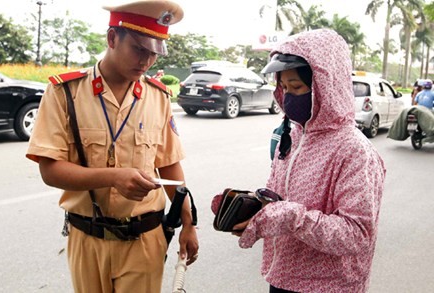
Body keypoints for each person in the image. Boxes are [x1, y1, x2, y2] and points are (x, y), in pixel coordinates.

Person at [26, 1, 198, 292]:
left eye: (154, 53)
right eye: (139, 49)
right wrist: (115, 177)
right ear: (112, 38)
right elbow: (50, 170)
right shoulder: (65, 92)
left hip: (143, 240)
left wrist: (189, 222)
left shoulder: (158, 98)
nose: (146, 61)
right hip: (86, 237)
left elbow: (169, 165)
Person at [232, 29, 386, 292]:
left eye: (296, 87)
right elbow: (281, 199)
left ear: (324, 86)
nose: (288, 96)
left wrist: (292, 218)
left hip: (328, 286)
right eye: (283, 87)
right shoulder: (291, 135)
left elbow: (357, 234)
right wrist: (256, 208)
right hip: (282, 277)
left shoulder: (354, 151)